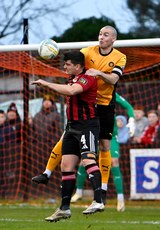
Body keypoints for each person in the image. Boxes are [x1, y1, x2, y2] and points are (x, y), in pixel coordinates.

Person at [32, 25, 127, 205]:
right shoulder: (87, 51)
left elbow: (114, 79)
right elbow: (74, 62)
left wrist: (98, 73)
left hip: (105, 105)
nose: (101, 37)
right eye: (100, 33)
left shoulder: (120, 57)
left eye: (105, 35)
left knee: (105, 145)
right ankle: (47, 173)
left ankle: (103, 189)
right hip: (85, 102)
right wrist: (55, 51)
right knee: (68, 136)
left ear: (113, 39)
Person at [32, 51, 104, 221]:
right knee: (66, 165)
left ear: (78, 66)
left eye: (68, 64)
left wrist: (46, 84)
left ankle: (98, 200)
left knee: (88, 160)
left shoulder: (87, 78)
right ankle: (64, 208)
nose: (65, 67)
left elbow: (72, 91)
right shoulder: (72, 78)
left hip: (87, 126)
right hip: (71, 128)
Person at [71, 93, 135, 212]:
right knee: (84, 161)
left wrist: (131, 119)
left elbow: (128, 106)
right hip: (94, 133)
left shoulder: (110, 92)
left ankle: (120, 198)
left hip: (111, 136)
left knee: (114, 162)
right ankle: (78, 192)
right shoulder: (88, 91)